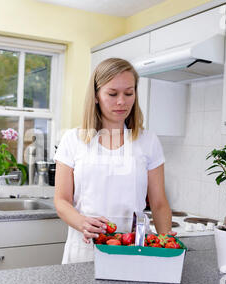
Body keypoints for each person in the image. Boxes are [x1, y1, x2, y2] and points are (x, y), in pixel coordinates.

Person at [53, 58, 174, 264]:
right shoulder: (73, 139)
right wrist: (82, 222)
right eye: (112, 94)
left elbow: (159, 204)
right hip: (85, 249)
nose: (121, 101)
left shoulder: (148, 141)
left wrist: (167, 247)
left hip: (133, 250)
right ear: (96, 96)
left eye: (129, 93)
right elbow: (61, 200)